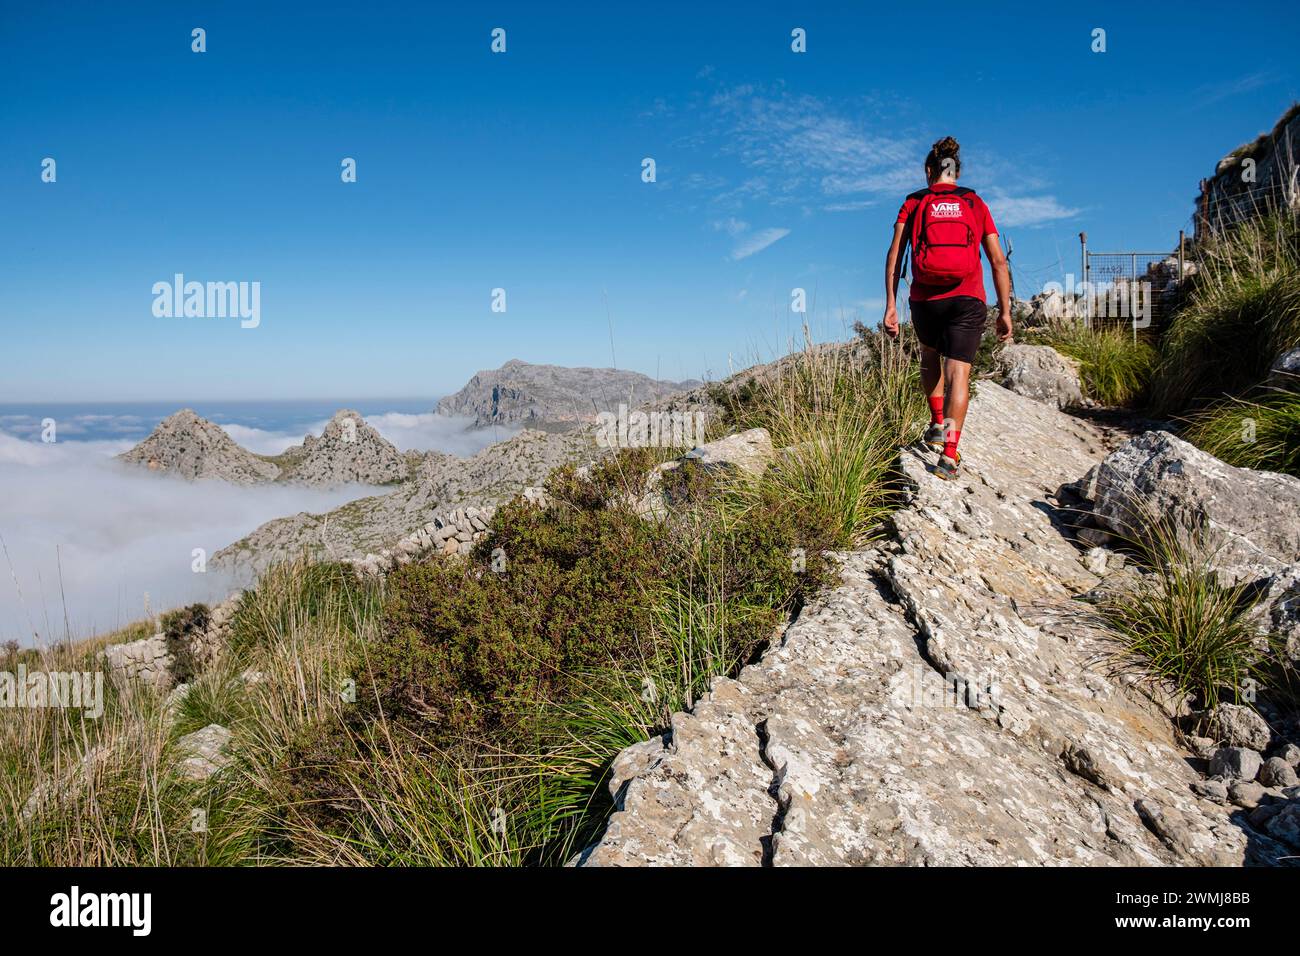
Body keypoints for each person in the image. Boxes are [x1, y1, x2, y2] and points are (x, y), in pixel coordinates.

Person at [882, 136, 1012, 480]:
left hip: (925, 300)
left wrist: (891, 305)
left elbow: (895, 256)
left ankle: (937, 422)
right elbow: (998, 262)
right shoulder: (974, 202)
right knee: (960, 374)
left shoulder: (913, 202)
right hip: (967, 298)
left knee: (929, 355)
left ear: (929, 170)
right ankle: (950, 455)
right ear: (956, 171)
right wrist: (1005, 311)